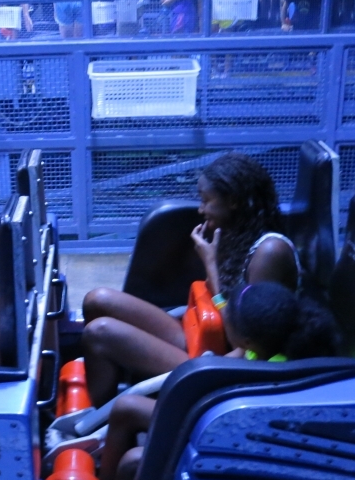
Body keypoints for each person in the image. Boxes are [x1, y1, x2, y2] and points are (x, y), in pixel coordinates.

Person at [98, 281, 341, 480]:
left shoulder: (272, 373)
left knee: (131, 444)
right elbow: (225, 365)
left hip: (234, 437)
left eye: (229, 320)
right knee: (128, 408)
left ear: (246, 340)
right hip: (229, 423)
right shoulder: (268, 344)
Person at [81, 152, 300, 406]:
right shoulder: (236, 233)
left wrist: (211, 265)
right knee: (96, 300)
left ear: (233, 201)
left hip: (230, 361)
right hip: (206, 335)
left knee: (99, 333)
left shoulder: (270, 253)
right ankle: (116, 381)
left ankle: (97, 420)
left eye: (207, 201)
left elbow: (246, 343)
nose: (200, 209)